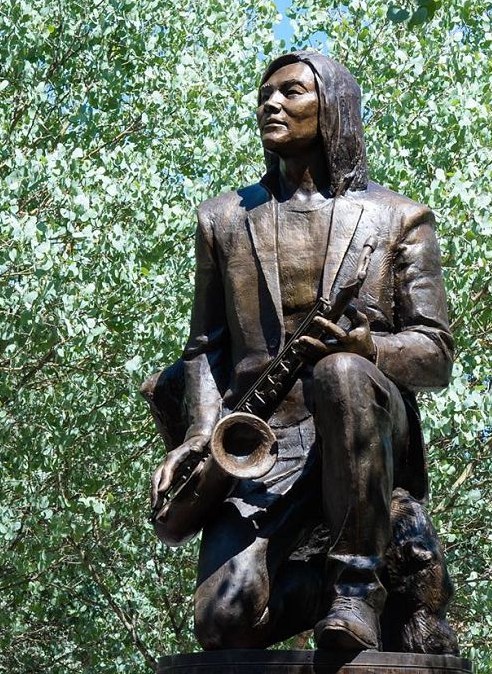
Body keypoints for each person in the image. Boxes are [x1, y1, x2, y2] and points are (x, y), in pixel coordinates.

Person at [148, 51, 454, 652]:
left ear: (334, 108)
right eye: (265, 94)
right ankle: (363, 589)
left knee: (342, 373)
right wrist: (200, 435)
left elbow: (435, 352)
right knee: (222, 624)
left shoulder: (399, 219)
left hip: (364, 426)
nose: (271, 103)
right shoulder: (222, 220)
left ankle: (356, 590)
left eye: (291, 92)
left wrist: (369, 348)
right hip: (264, 445)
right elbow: (205, 348)